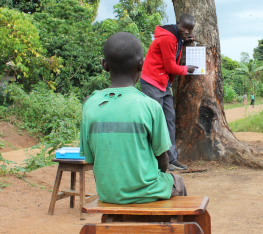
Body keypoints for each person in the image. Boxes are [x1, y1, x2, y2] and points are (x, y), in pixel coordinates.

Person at [79, 32, 187, 204]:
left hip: (109, 194)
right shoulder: (150, 106)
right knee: (178, 182)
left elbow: (91, 158)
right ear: (141, 65)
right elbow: (163, 161)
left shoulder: (90, 104)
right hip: (148, 190)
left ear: (104, 65)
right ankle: (170, 227)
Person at [140, 14, 198, 171]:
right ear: (177, 24)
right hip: (152, 82)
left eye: (190, 29)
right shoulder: (168, 38)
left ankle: (171, 159)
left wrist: (184, 42)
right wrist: (187, 69)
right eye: (184, 27)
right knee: (155, 122)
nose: (187, 31)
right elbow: (171, 67)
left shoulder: (176, 37)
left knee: (169, 120)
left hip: (164, 83)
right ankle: (154, 161)